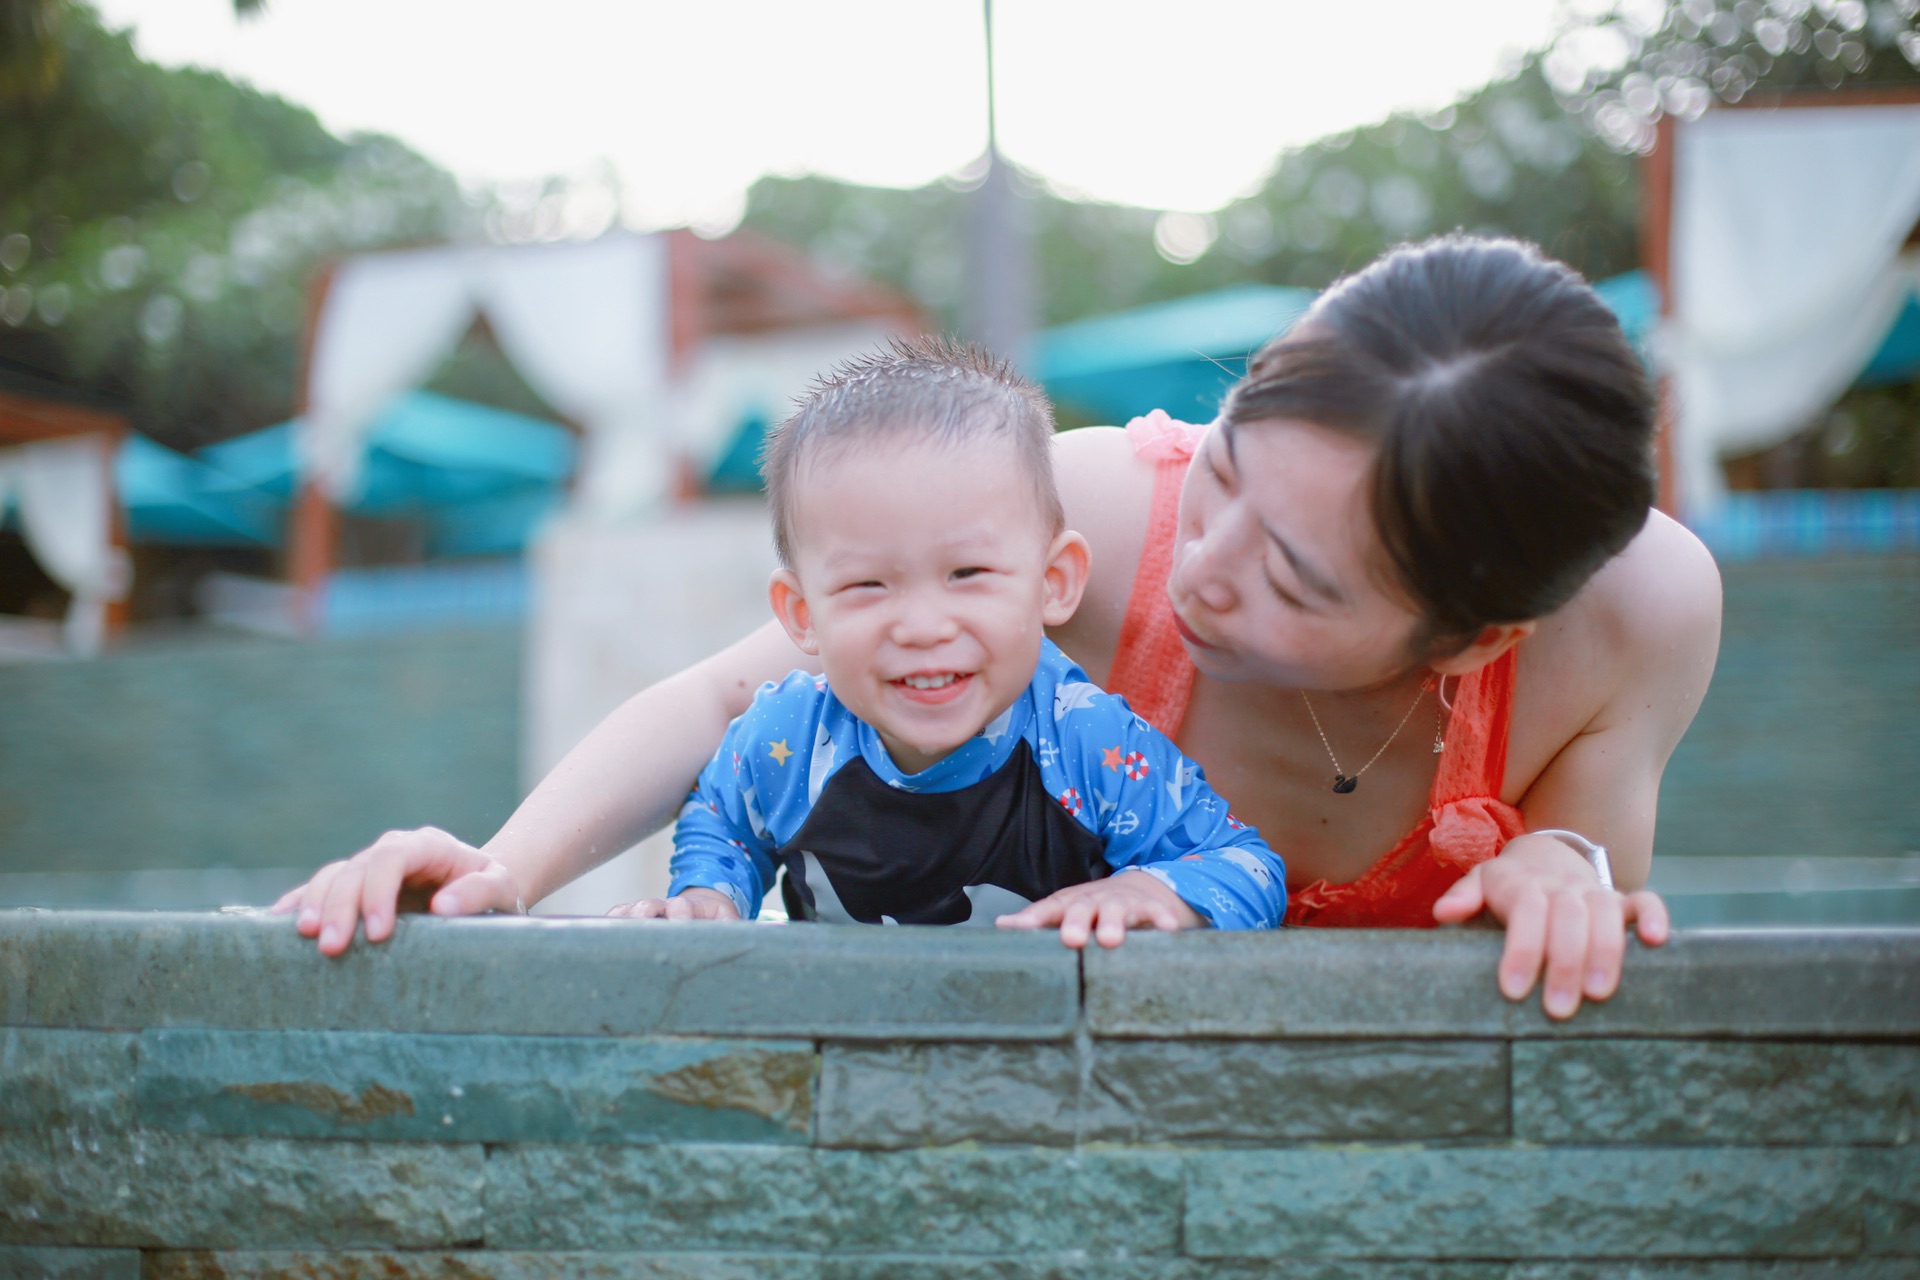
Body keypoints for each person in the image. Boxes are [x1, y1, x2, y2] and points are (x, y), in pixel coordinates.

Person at [276, 236, 1720, 1021]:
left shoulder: (1633, 613)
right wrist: (503, 869)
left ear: (1470, 641)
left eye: (1293, 579)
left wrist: (1563, 859)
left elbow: (1586, 873)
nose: (1201, 571)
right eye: (1221, 466)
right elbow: (735, 703)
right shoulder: (1087, 518)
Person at [612, 338, 1286, 940]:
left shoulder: (1089, 746)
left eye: (967, 574)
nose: (924, 627)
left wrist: (1151, 890)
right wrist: (709, 893)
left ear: (1053, 582)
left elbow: (1247, 867)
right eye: (868, 585)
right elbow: (723, 816)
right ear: (802, 613)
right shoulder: (788, 739)